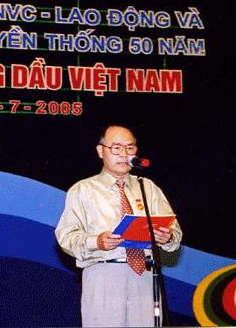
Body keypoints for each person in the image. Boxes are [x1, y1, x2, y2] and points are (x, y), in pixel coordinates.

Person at [55, 125, 182, 327]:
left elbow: (174, 230)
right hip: (104, 274)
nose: (124, 154)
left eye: (130, 148)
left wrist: (168, 237)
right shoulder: (83, 190)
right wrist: (96, 241)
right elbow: (66, 236)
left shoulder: (147, 187)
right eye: (116, 148)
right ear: (100, 151)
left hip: (145, 276)